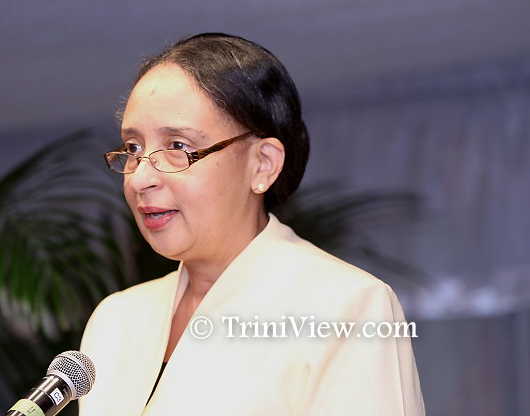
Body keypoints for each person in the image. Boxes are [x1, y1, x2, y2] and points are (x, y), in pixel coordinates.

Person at [79, 33, 425, 415]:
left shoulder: (345, 307)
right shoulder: (116, 319)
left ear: (262, 164)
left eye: (178, 146)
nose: (140, 178)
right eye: (133, 148)